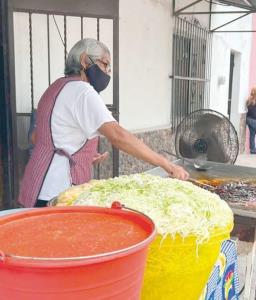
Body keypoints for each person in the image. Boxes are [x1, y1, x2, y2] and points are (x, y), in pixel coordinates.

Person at [18, 38, 189, 208]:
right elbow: (118, 136)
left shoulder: (56, 87)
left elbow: (37, 137)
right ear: (85, 60)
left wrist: (81, 154)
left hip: (37, 184)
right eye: (104, 64)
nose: (107, 72)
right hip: (57, 190)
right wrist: (167, 165)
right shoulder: (83, 91)